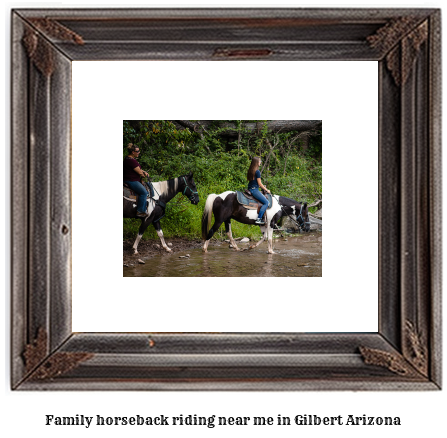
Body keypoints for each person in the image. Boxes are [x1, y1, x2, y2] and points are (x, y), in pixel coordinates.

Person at [123, 143, 153, 218]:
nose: (139, 152)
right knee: (143, 192)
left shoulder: (129, 159)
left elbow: (138, 169)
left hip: (130, 179)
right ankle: (141, 211)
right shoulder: (131, 161)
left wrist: (144, 171)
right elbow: (139, 172)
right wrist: (143, 174)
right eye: (137, 151)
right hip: (131, 180)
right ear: (133, 152)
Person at [247, 156, 271, 225]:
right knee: (266, 202)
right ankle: (259, 218)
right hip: (254, 190)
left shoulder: (251, 170)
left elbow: (255, 182)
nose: (260, 162)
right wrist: (267, 190)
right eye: (260, 161)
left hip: (250, 189)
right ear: (257, 162)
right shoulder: (257, 171)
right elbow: (259, 184)